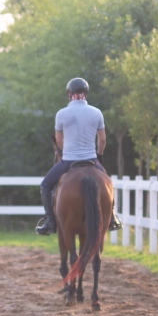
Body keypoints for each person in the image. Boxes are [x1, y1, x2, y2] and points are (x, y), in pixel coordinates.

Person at [35, 77, 123, 235]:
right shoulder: (97, 112)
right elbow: (102, 139)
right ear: (86, 94)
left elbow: (59, 141)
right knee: (108, 184)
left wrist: (67, 150)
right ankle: (112, 218)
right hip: (91, 159)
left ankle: (50, 221)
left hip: (68, 161)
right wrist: (99, 155)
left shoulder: (61, 114)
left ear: (70, 94)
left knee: (46, 186)